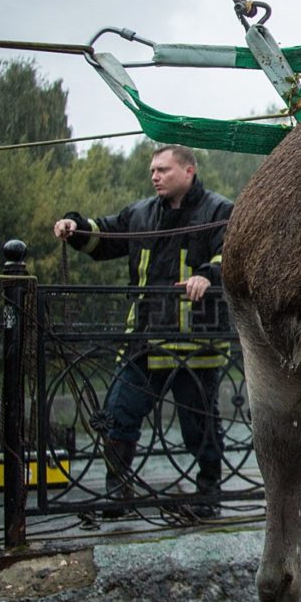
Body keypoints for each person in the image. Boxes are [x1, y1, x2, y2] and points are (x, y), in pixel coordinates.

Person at [53, 144, 232, 518]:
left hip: (195, 342)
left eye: (163, 170)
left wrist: (207, 274)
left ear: (188, 172)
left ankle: (207, 496)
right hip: (145, 340)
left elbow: (232, 254)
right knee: (119, 413)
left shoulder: (219, 211)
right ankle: (118, 495)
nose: (155, 176)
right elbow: (103, 236)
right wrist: (75, 227)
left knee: (199, 428)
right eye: (153, 170)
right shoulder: (140, 213)